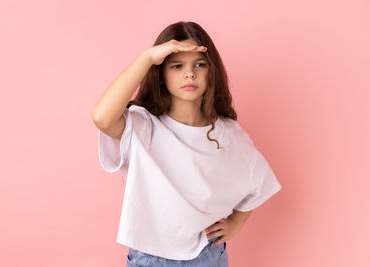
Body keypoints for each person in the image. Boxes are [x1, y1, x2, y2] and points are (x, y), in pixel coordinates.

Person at [91, 21, 282, 267]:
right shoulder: (143, 126)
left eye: (199, 64)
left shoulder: (226, 132)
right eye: (177, 66)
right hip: (151, 258)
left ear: (211, 71)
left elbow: (260, 182)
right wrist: (147, 57)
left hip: (208, 256)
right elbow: (102, 118)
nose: (189, 73)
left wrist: (236, 222)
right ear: (161, 73)